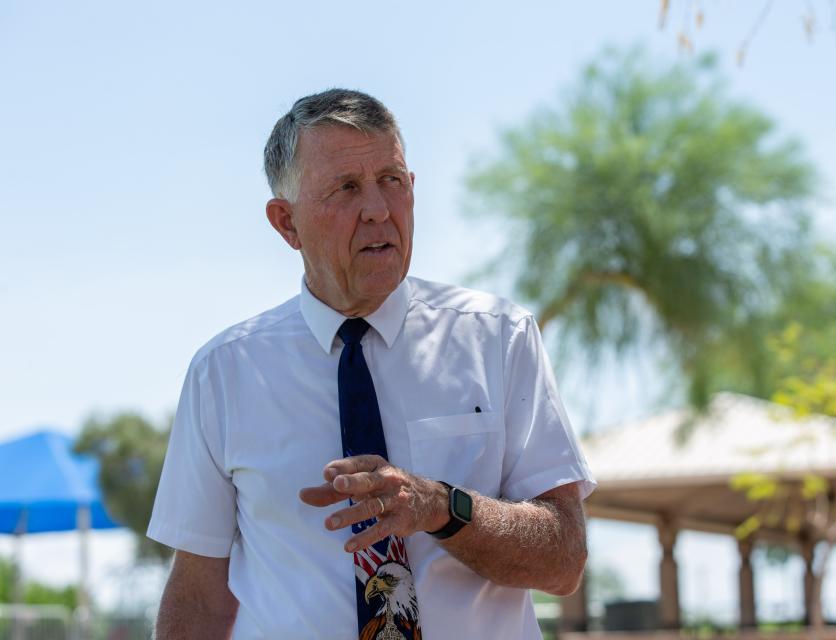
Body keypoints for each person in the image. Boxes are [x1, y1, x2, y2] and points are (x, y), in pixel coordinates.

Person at [147, 89, 595, 640]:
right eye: (347, 188)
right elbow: (199, 600)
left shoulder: (499, 339)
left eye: (392, 181)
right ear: (287, 223)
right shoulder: (224, 373)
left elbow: (564, 560)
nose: (379, 210)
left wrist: (440, 506)